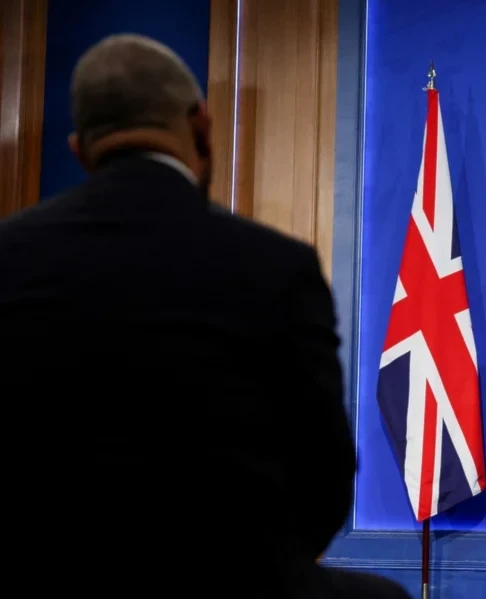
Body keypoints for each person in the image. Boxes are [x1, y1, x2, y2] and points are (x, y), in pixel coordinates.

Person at [0, 34, 409, 599]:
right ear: (201, 126)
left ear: (79, 150)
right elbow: (325, 476)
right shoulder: (277, 265)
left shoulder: (9, 256)